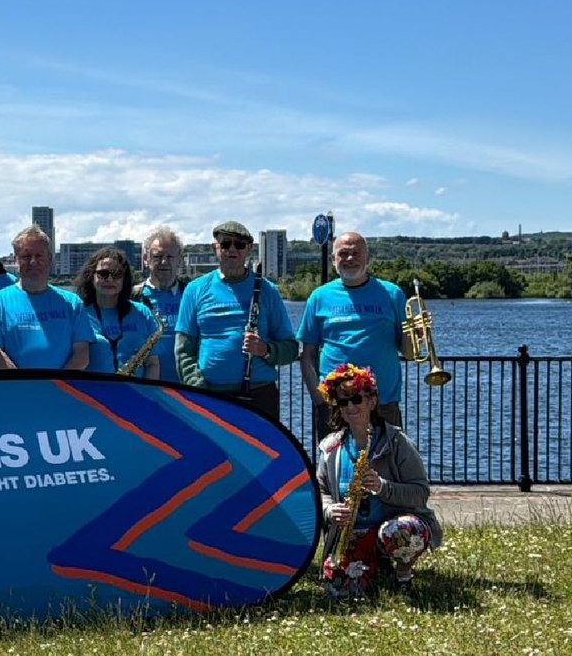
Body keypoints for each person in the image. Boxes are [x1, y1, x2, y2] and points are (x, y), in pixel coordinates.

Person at [316, 363, 442, 598]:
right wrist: (329, 510)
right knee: (341, 594)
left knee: (401, 531)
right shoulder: (330, 447)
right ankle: (376, 569)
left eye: (356, 399)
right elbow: (319, 491)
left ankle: (403, 576)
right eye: (343, 402)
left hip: (389, 528)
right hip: (352, 534)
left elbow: (420, 492)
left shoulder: (396, 441)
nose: (350, 407)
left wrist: (383, 487)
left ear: (372, 401)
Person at [174, 220, 298, 421]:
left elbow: (291, 349)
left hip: (259, 395)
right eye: (225, 244)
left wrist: (265, 350)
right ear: (215, 247)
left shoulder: (267, 290)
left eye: (239, 245)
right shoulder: (195, 290)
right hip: (211, 395)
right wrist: (199, 389)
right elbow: (183, 351)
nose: (232, 250)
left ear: (248, 249)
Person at [298, 230, 411, 431]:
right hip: (336, 404)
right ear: (333, 259)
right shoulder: (319, 297)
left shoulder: (393, 294)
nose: (350, 258)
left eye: (356, 253)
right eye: (343, 254)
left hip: (383, 405)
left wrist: (418, 334)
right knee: (335, 463)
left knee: (385, 462)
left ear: (367, 257)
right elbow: (307, 356)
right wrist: (320, 400)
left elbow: (409, 353)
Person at [0, 225, 94, 370]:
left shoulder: (73, 303)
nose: (33, 262)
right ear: (16, 260)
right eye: (26, 256)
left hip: (62, 389)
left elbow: (82, 354)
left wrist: (57, 387)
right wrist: (26, 387)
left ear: (50, 259)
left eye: (39, 256)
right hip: (13, 388)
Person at [74, 246, 160, 378]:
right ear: (91, 277)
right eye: (103, 274)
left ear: (124, 279)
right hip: (92, 395)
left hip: (136, 393)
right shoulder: (78, 313)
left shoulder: (142, 312)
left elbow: (152, 364)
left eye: (117, 274)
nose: (109, 279)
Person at [132, 225, 188, 382]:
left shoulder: (192, 295)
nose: (164, 262)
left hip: (187, 387)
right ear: (146, 259)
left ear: (180, 260)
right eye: (157, 256)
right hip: (145, 385)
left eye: (170, 257)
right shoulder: (133, 296)